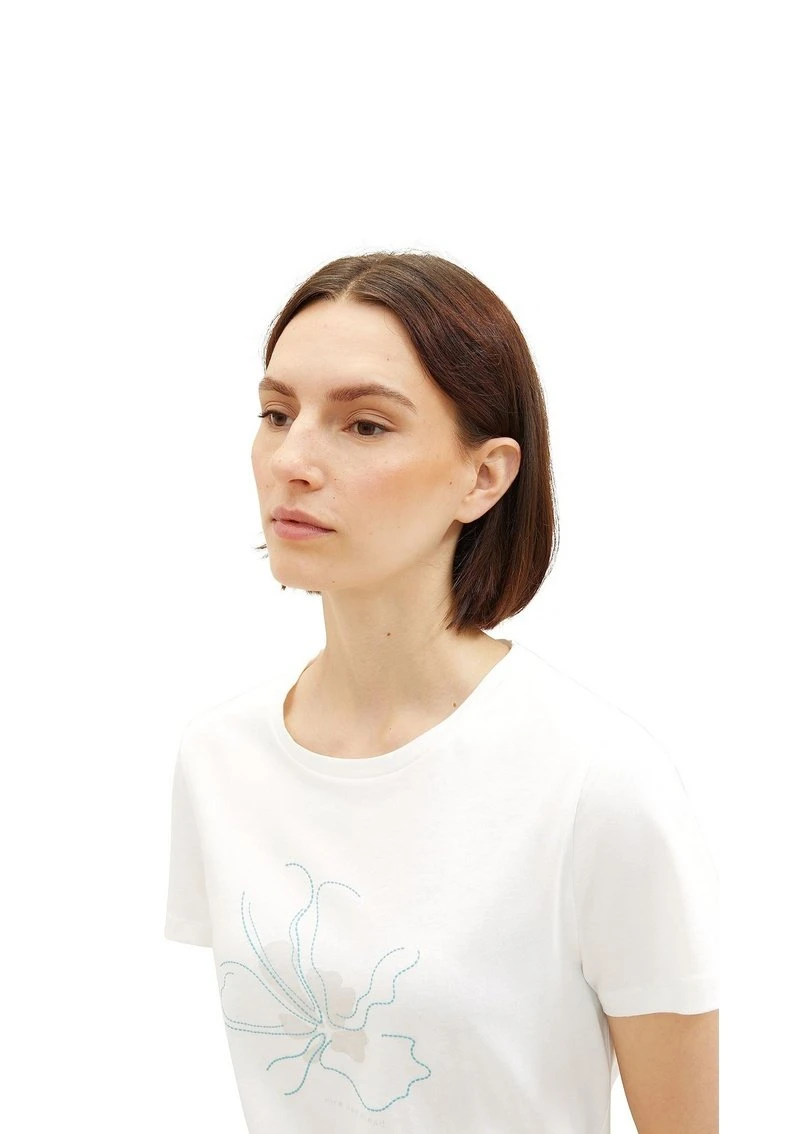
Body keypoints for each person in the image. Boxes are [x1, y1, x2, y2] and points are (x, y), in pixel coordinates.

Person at [165, 250, 718, 1133]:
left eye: (365, 425)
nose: (292, 460)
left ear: (483, 476)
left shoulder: (596, 783)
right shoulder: (220, 759)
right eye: (276, 414)